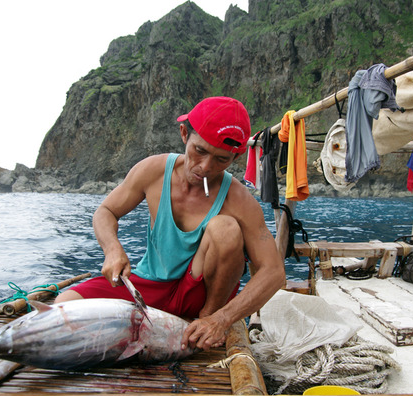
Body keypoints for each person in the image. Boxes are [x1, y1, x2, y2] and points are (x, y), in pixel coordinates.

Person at [55, 96, 285, 351]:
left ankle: (203, 323)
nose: (206, 167)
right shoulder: (153, 171)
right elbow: (106, 211)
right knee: (64, 304)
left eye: (222, 159)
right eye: (200, 151)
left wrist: (221, 318)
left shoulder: (239, 199)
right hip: (149, 284)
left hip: (201, 297)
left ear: (235, 156)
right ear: (184, 133)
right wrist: (112, 249)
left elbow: (273, 272)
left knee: (226, 229)